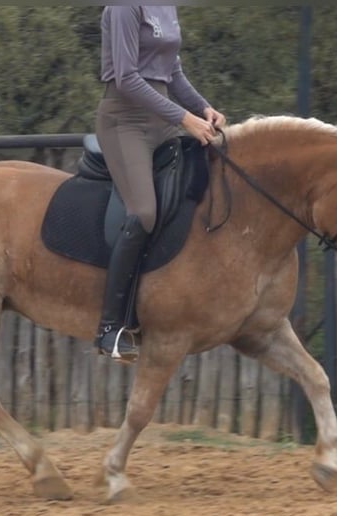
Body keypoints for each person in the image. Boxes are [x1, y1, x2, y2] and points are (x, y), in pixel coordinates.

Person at [94, 6, 226, 362]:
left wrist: (203, 108)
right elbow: (126, 77)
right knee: (143, 213)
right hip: (125, 122)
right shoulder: (124, 8)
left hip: (163, 122)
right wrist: (185, 118)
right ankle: (110, 327)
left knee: (197, 194)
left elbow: (172, 73)